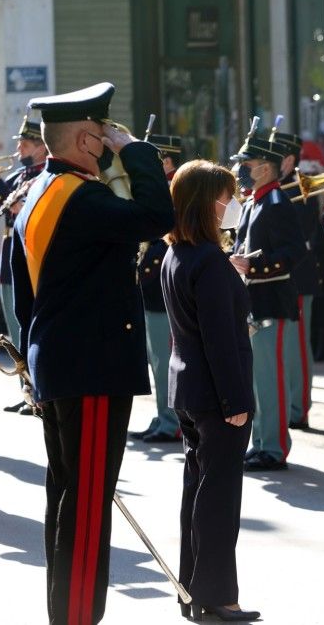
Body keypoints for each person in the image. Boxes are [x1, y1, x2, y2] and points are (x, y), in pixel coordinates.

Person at [9, 82, 174, 624]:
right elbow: (155, 216)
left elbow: (22, 292)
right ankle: (77, 618)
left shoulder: (38, 192)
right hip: (92, 371)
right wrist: (138, 151)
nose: (108, 142)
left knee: (66, 497)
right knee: (85, 508)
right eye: (103, 133)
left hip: (59, 366)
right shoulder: (83, 197)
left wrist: (35, 364)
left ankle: (66, 613)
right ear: (85, 137)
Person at [161, 160, 259, 623]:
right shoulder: (211, 263)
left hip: (188, 388)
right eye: (225, 196)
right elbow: (222, 340)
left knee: (197, 493)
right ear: (207, 204)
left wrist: (227, 271)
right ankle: (218, 596)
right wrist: (236, 402)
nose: (232, 204)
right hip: (218, 396)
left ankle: (191, 588)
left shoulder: (179, 253)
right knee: (219, 498)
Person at [231, 130, 306, 471]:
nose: (242, 169)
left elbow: (293, 253)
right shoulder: (255, 201)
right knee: (257, 379)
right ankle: (260, 441)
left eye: (247, 164)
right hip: (253, 300)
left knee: (269, 378)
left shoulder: (276, 204)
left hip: (271, 300)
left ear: (265, 167)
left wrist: (254, 265)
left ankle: (274, 448)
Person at [0, 115, 48, 414]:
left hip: (29, 262)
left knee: (29, 330)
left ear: (42, 147)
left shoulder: (43, 177)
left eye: (26, 142)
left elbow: (25, 211)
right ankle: (26, 389)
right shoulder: (20, 175)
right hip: (9, 261)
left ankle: (39, 391)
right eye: (19, 141)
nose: (19, 147)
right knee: (15, 332)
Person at [129, 133, 184, 443]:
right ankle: (163, 415)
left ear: (166, 161)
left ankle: (172, 420)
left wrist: (141, 271)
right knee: (157, 359)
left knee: (166, 359)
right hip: (150, 290)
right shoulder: (155, 189)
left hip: (161, 288)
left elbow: (165, 242)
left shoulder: (174, 192)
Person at [275, 130, 317, 430]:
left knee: (296, 349)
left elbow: (299, 236)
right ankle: (286, 403)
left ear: (289, 159)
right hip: (278, 279)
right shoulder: (278, 189)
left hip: (298, 278)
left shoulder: (301, 189)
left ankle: (298, 407)